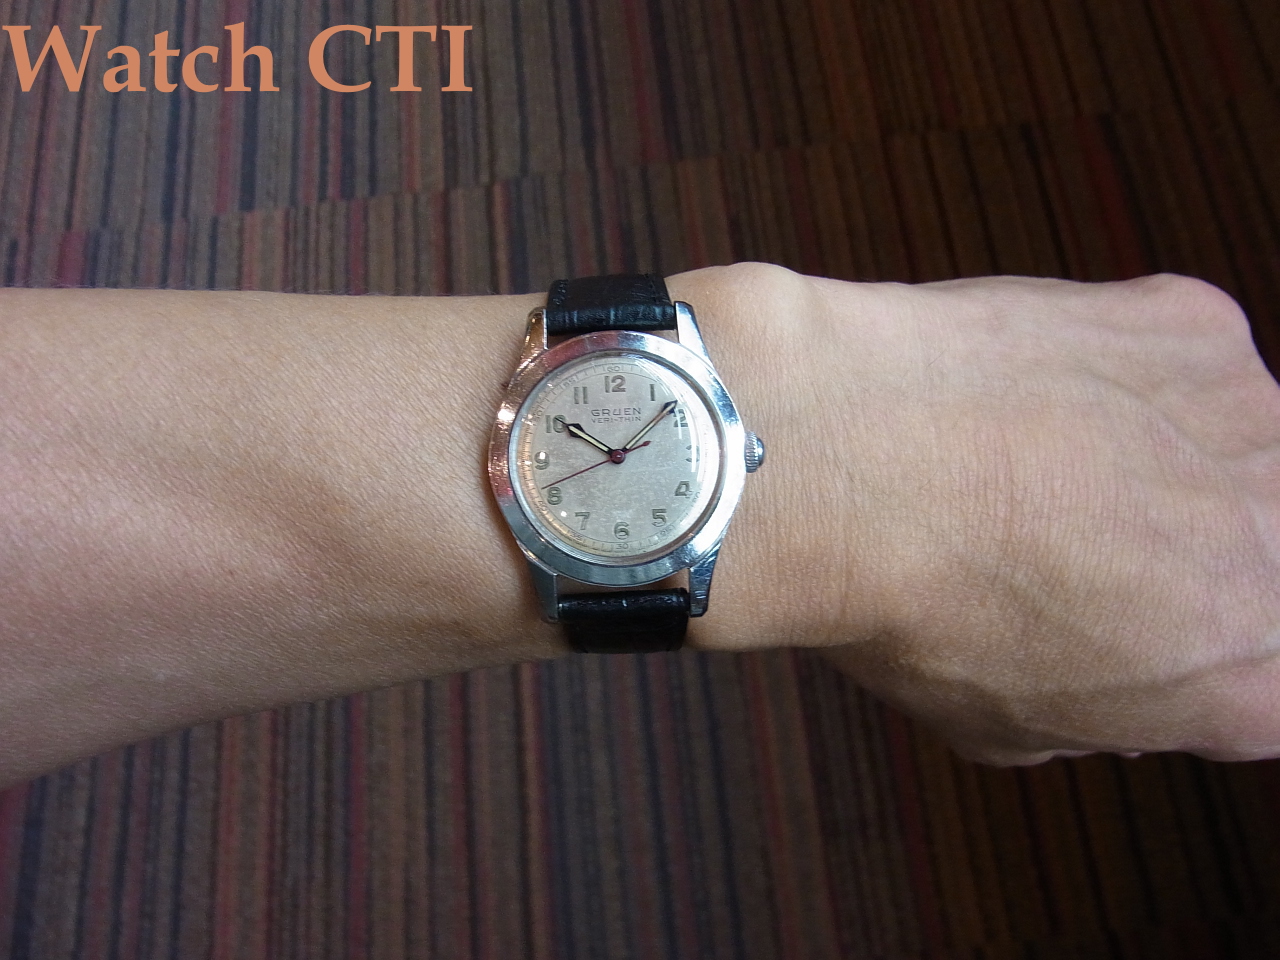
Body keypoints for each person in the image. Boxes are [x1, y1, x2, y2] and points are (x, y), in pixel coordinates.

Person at [0, 263, 1276, 788]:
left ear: (739, 445)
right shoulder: (527, 437)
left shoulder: (641, 435)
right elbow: (517, 445)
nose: (612, 452)